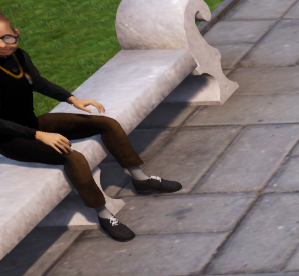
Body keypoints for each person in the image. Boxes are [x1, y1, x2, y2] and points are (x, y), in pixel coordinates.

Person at [0, 13, 181, 243]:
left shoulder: (19, 57)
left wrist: (72, 99)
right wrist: (38, 135)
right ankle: (104, 215)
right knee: (73, 156)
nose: (3, 45)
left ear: (16, 33)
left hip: (34, 124)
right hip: (12, 140)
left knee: (107, 124)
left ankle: (141, 179)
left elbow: (39, 83)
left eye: (8, 38)